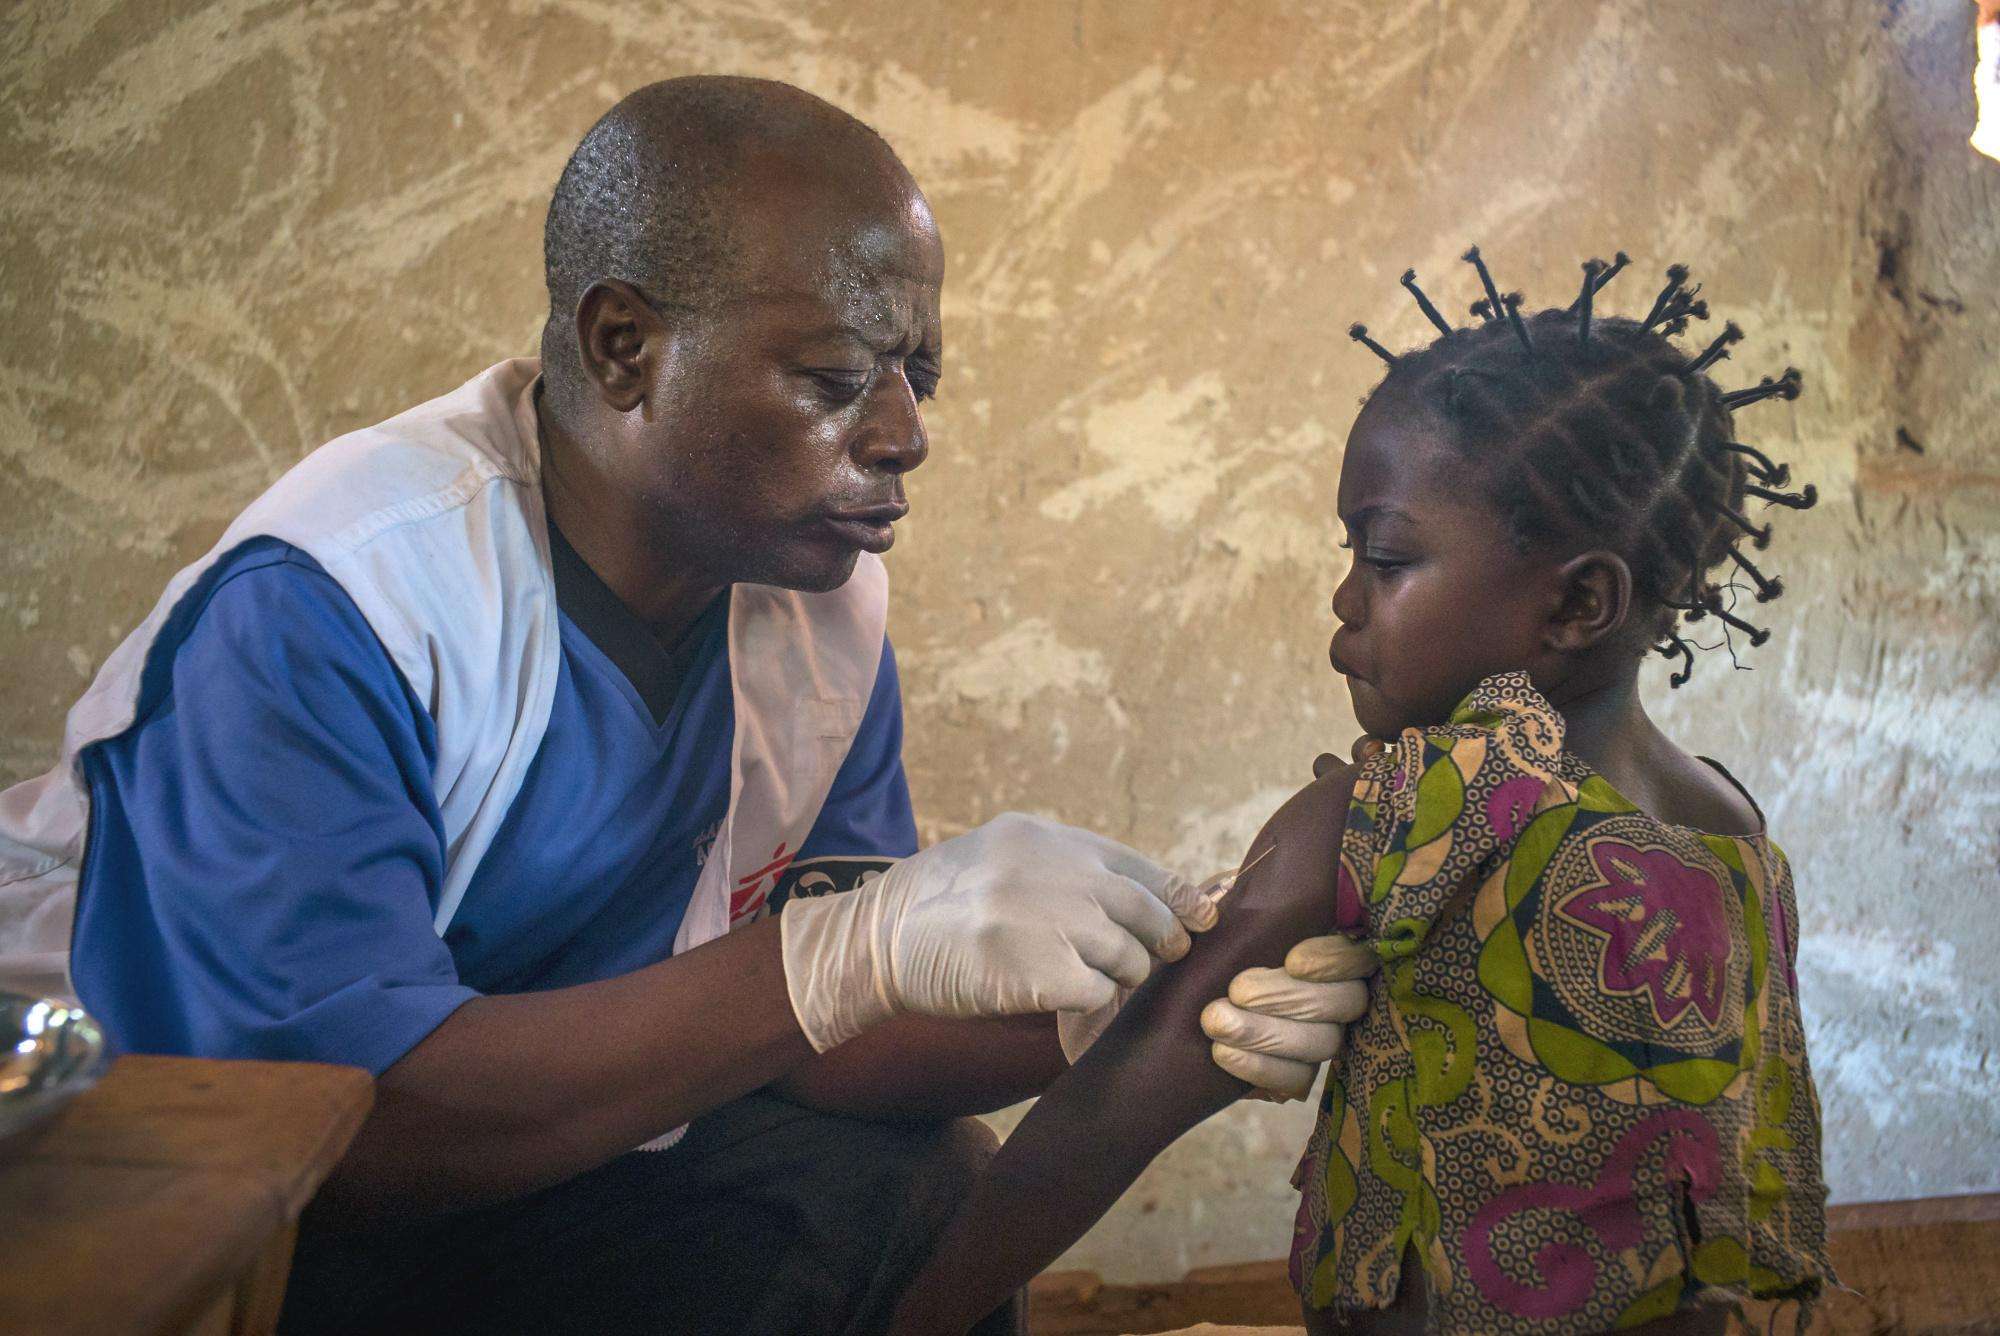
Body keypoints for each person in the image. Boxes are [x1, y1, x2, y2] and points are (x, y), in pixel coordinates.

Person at [0, 78, 1368, 1334]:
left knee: (909, 1191)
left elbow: (800, 1048)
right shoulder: (332, 608)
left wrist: (1109, 1005)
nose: (904, 435)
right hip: (166, 1209)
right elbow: (345, 1138)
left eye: (916, 376)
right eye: (836, 380)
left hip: (519, 1157)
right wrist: (852, 950)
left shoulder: (809, 608)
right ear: (623, 347)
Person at [886, 250, 1834, 1335]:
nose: (1343, 598)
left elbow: (1115, 1106)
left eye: (1383, 558)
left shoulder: (1422, 804)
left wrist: (912, 1317)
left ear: (1575, 603)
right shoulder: (1735, 830)